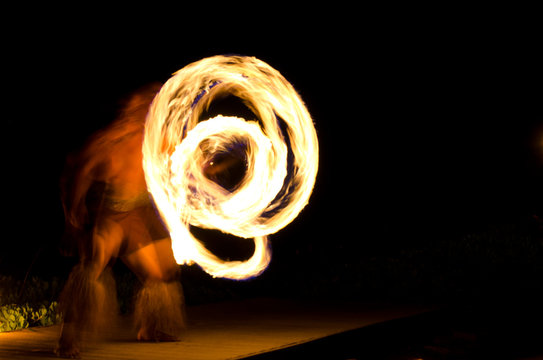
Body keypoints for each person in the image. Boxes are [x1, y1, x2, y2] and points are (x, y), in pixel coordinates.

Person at [56, 84, 185, 358]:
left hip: (138, 217)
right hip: (110, 217)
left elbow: (184, 166)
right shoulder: (107, 142)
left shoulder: (155, 141)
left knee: (161, 275)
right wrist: (73, 216)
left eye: (148, 109)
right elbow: (77, 170)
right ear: (127, 111)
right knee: (90, 272)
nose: (145, 114)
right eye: (140, 108)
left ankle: (152, 329)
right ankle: (68, 339)